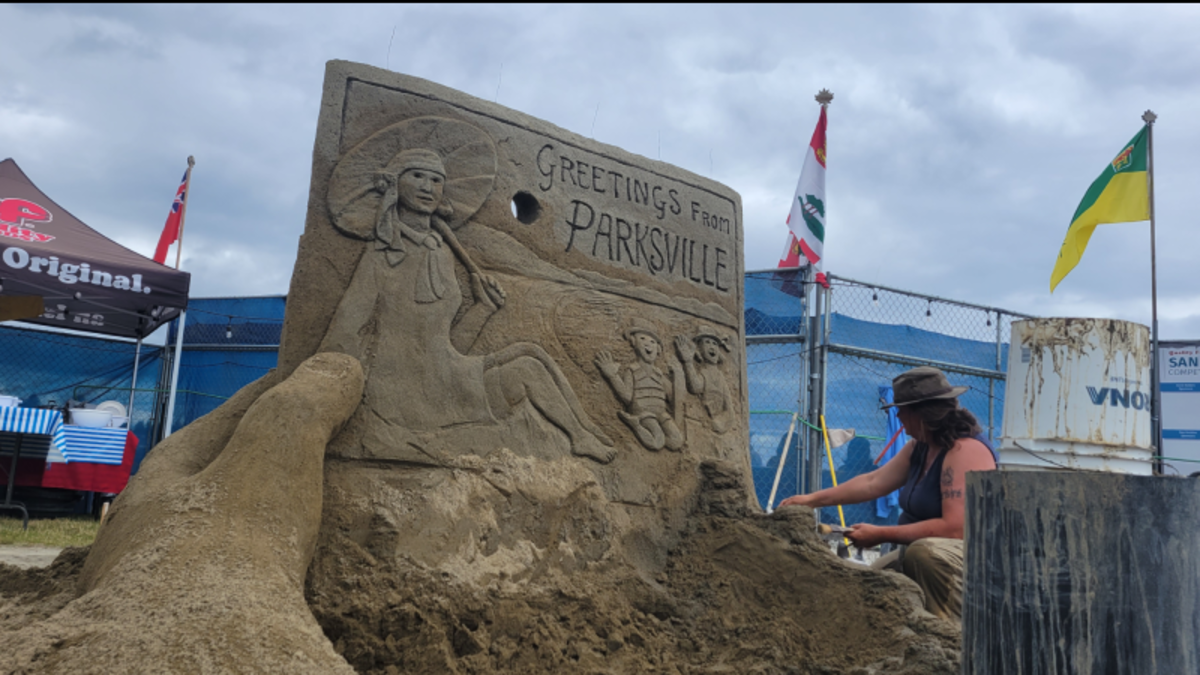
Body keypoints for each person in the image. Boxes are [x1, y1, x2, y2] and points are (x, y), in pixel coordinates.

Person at [321, 147, 614, 463]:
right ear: (394, 184)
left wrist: (483, 308)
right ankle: (580, 437)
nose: (427, 187)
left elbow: (449, 343)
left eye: (436, 180)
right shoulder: (383, 255)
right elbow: (345, 331)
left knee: (533, 352)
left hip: (445, 374)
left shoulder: (442, 252)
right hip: (406, 394)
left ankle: (585, 431)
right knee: (527, 370)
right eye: (417, 176)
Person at [777, 366, 997, 621]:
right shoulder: (920, 447)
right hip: (914, 550)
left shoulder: (965, 451)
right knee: (867, 587)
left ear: (922, 412)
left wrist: (881, 533)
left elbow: (955, 528)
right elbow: (873, 481)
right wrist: (811, 500)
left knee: (923, 555)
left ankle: (953, 636)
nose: (899, 418)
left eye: (901, 411)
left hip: (967, 562)